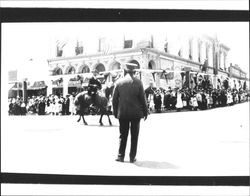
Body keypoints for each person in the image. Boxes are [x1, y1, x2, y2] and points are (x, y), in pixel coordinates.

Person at [112, 63, 148, 163]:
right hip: (136, 114)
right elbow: (142, 99)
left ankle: (120, 156)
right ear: (135, 72)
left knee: (122, 135)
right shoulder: (138, 82)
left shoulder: (118, 82)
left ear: (124, 71)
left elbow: (114, 100)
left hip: (123, 113)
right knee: (134, 136)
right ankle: (132, 157)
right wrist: (145, 112)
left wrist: (115, 112)